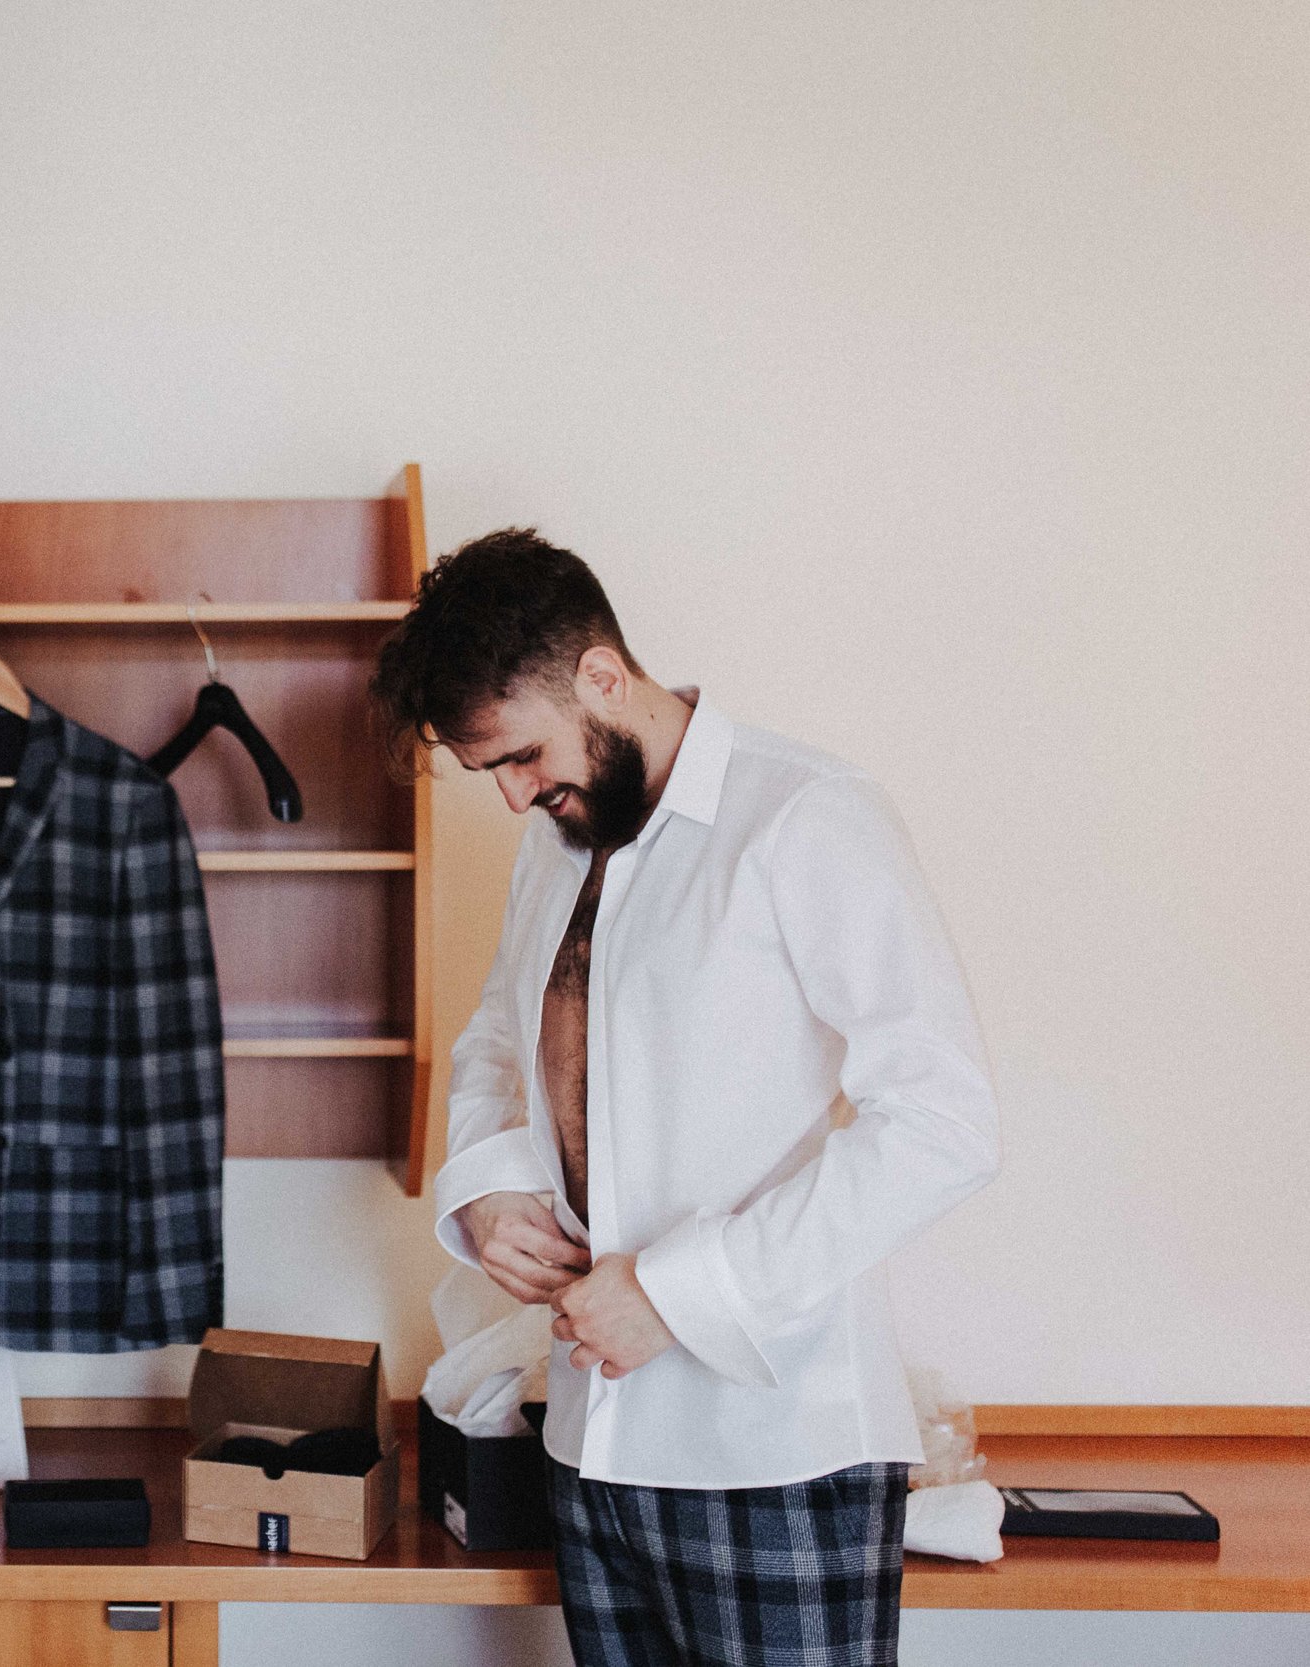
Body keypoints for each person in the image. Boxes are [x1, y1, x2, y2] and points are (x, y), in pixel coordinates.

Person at [371, 529, 1000, 1667]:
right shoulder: (558, 839)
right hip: (590, 1440)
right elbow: (498, 1038)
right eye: (488, 771)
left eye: (521, 755)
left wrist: (673, 1293)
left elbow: (942, 1122)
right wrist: (487, 1190)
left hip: (774, 1448)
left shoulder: (807, 815)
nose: (512, 795)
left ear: (603, 675)